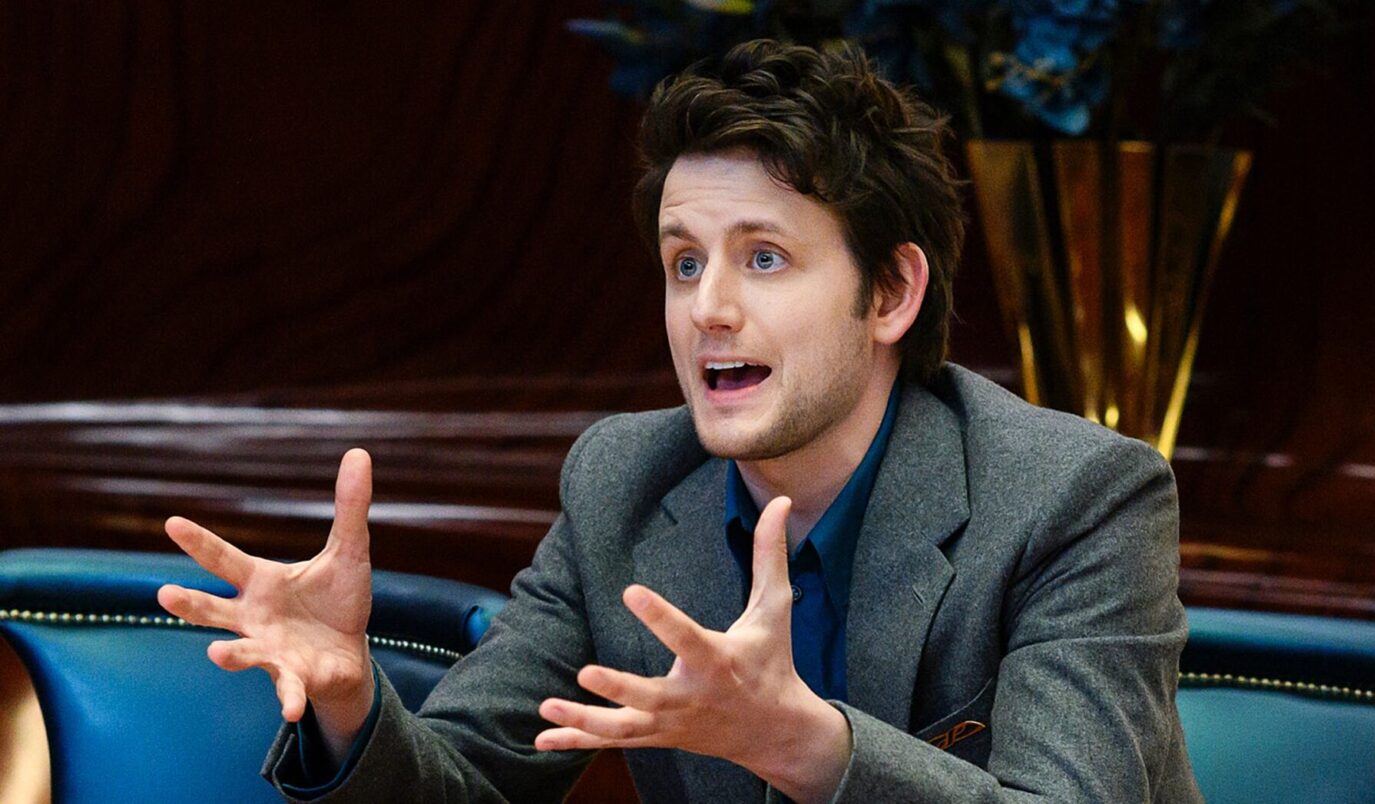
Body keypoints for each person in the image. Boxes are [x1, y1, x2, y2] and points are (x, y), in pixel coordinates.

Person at [158, 39, 1201, 802]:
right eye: (684, 262)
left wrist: (805, 744)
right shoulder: (624, 484)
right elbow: (465, 786)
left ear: (890, 294)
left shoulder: (1071, 498)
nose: (708, 308)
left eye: (764, 257)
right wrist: (351, 701)